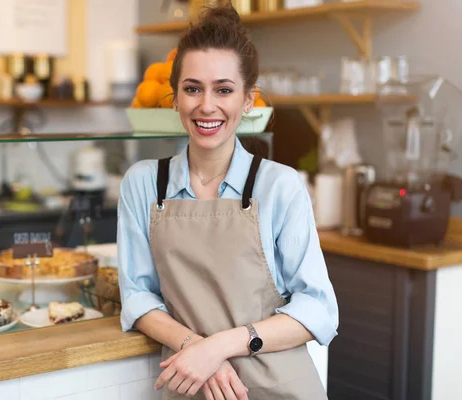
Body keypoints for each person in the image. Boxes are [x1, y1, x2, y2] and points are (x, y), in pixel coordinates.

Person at [117, 4, 338, 399]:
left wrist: (219, 346)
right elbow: (137, 296)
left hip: (278, 387)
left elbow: (319, 309)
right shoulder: (144, 184)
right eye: (192, 89)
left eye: (223, 89)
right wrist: (194, 349)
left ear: (248, 100)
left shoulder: (279, 186)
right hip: (191, 385)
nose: (206, 106)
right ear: (174, 99)